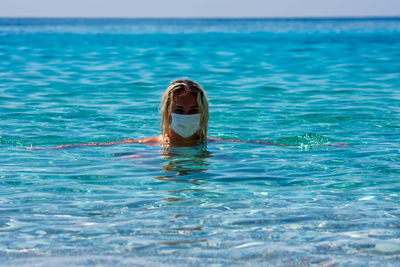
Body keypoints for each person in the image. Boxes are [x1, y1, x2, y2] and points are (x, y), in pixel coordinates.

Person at [26, 79, 346, 150]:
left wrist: (322, 145)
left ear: (203, 113)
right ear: (168, 113)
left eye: (193, 110)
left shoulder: (214, 145)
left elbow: (266, 145)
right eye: (179, 110)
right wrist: (43, 149)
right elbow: (98, 147)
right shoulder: (148, 146)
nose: (186, 115)